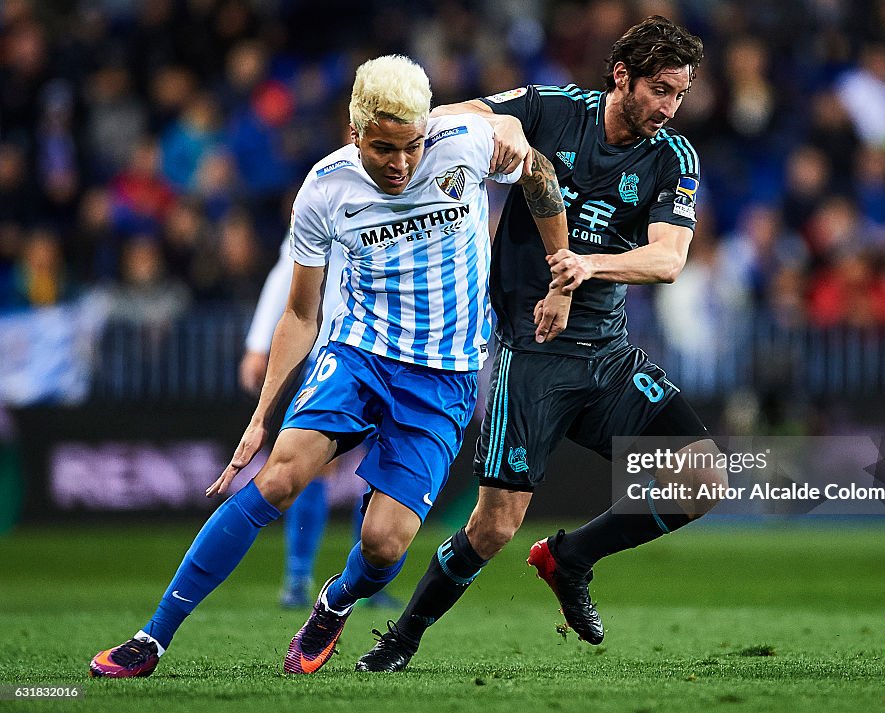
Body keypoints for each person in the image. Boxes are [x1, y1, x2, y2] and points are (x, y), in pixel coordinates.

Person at [89, 53, 570, 679]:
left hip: (445, 375)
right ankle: (151, 639)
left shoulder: (469, 144)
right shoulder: (324, 188)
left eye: (411, 146)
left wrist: (559, 268)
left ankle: (333, 602)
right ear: (354, 133)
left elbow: (539, 177)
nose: (400, 164)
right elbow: (298, 315)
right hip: (359, 356)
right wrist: (261, 417)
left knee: (384, 543)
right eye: (383, 148)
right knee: (279, 476)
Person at [355, 17, 727, 673]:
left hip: (608, 357)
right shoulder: (553, 110)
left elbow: (668, 260)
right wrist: (505, 128)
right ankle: (401, 639)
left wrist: (588, 266)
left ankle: (571, 556)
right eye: (661, 90)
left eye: (680, 94)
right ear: (622, 76)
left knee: (701, 476)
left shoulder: (673, 157)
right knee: (494, 526)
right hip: (531, 355)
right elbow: (448, 113)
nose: (669, 108)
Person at [240, 235, 398, 610]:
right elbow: (287, 272)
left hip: (399, 354)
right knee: (317, 465)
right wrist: (259, 344)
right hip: (336, 351)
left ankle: (365, 579)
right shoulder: (329, 193)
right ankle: (297, 578)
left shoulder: (409, 197)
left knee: (385, 468)